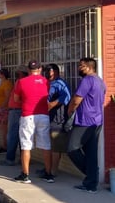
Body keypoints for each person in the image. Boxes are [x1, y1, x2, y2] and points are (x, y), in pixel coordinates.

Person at [67, 57, 106, 194]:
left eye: (81, 66)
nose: (78, 68)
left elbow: (77, 100)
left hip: (85, 121)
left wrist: (69, 111)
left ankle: (91, 175)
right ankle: (91, 184)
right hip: (97, 121)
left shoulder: (87, 80)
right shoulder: (100, 81)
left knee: (72, 149)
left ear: (89, 67)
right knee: (91, 152)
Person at [13, 60, 53, 184]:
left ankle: (25, 175)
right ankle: (48, 174)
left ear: (28, 70)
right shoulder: (46, 82)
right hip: (43, 115)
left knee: (26, 145)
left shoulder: (21, 82)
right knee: (46, 145)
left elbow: (16, 99)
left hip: (28, 115)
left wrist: (26, 101)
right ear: (40, 69)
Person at [41, 63, 71, 176]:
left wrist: (52, 104)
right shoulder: (47, 83)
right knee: (48, 145)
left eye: (51, 71)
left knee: (55, 147)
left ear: (57, 72)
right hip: (47, 118)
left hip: (58, 119)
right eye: (47, 71)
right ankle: (47, 168)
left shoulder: (61, 84)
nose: (49, 73)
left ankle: (52, 171)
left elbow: (66, 98)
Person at [0, 65, 29, 166]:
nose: (16, 74)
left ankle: (10, 158)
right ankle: (23, 159)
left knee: (12, 135)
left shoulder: (21, 82)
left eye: (17, 72)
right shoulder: (24, 82)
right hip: (19, 110)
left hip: (17, 110)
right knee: (21, 136)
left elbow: (18, 98)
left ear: (21, 73)